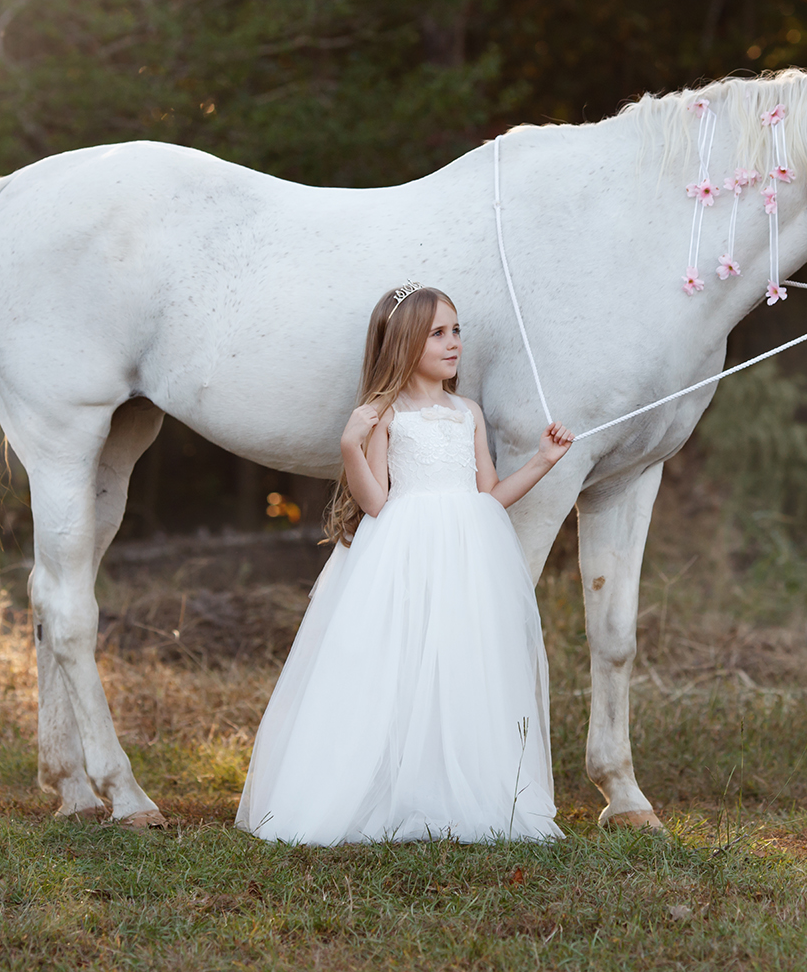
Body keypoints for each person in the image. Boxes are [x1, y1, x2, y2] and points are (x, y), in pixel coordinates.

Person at [236, 281, 574, 845]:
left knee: (460, 663)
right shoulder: (383, 413)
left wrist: (543, 460)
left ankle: (457, 786)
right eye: (438, 333)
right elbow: (374, 502)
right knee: (398, 660)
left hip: (467, 553)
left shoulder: (468, 413)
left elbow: (488, 494)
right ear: (405, 343)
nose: (453, 343)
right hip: (402, 550)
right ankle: (386, 786)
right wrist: (350, 446)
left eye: (456, 330)